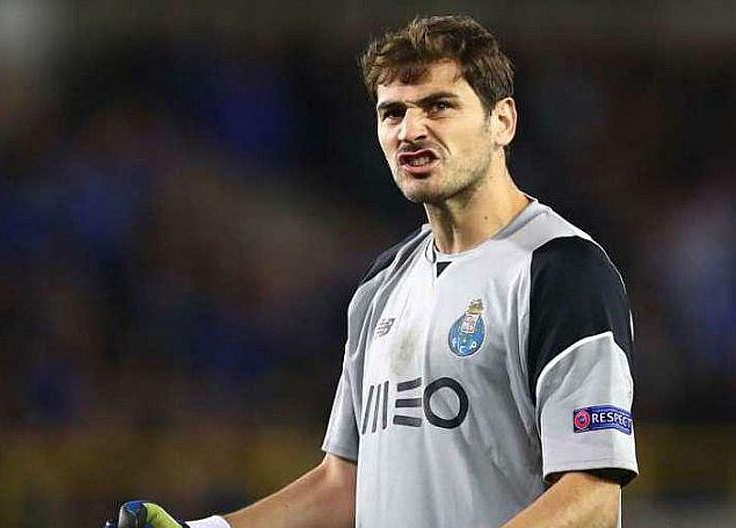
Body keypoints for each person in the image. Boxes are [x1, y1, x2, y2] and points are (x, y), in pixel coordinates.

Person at [108, 14, 638, 528]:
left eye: (438, 106)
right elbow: (343, 484)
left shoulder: (561, 271)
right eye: (393, 113)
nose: (411, 130)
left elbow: (592, 497)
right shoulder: (382, 284)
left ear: (502, 121)